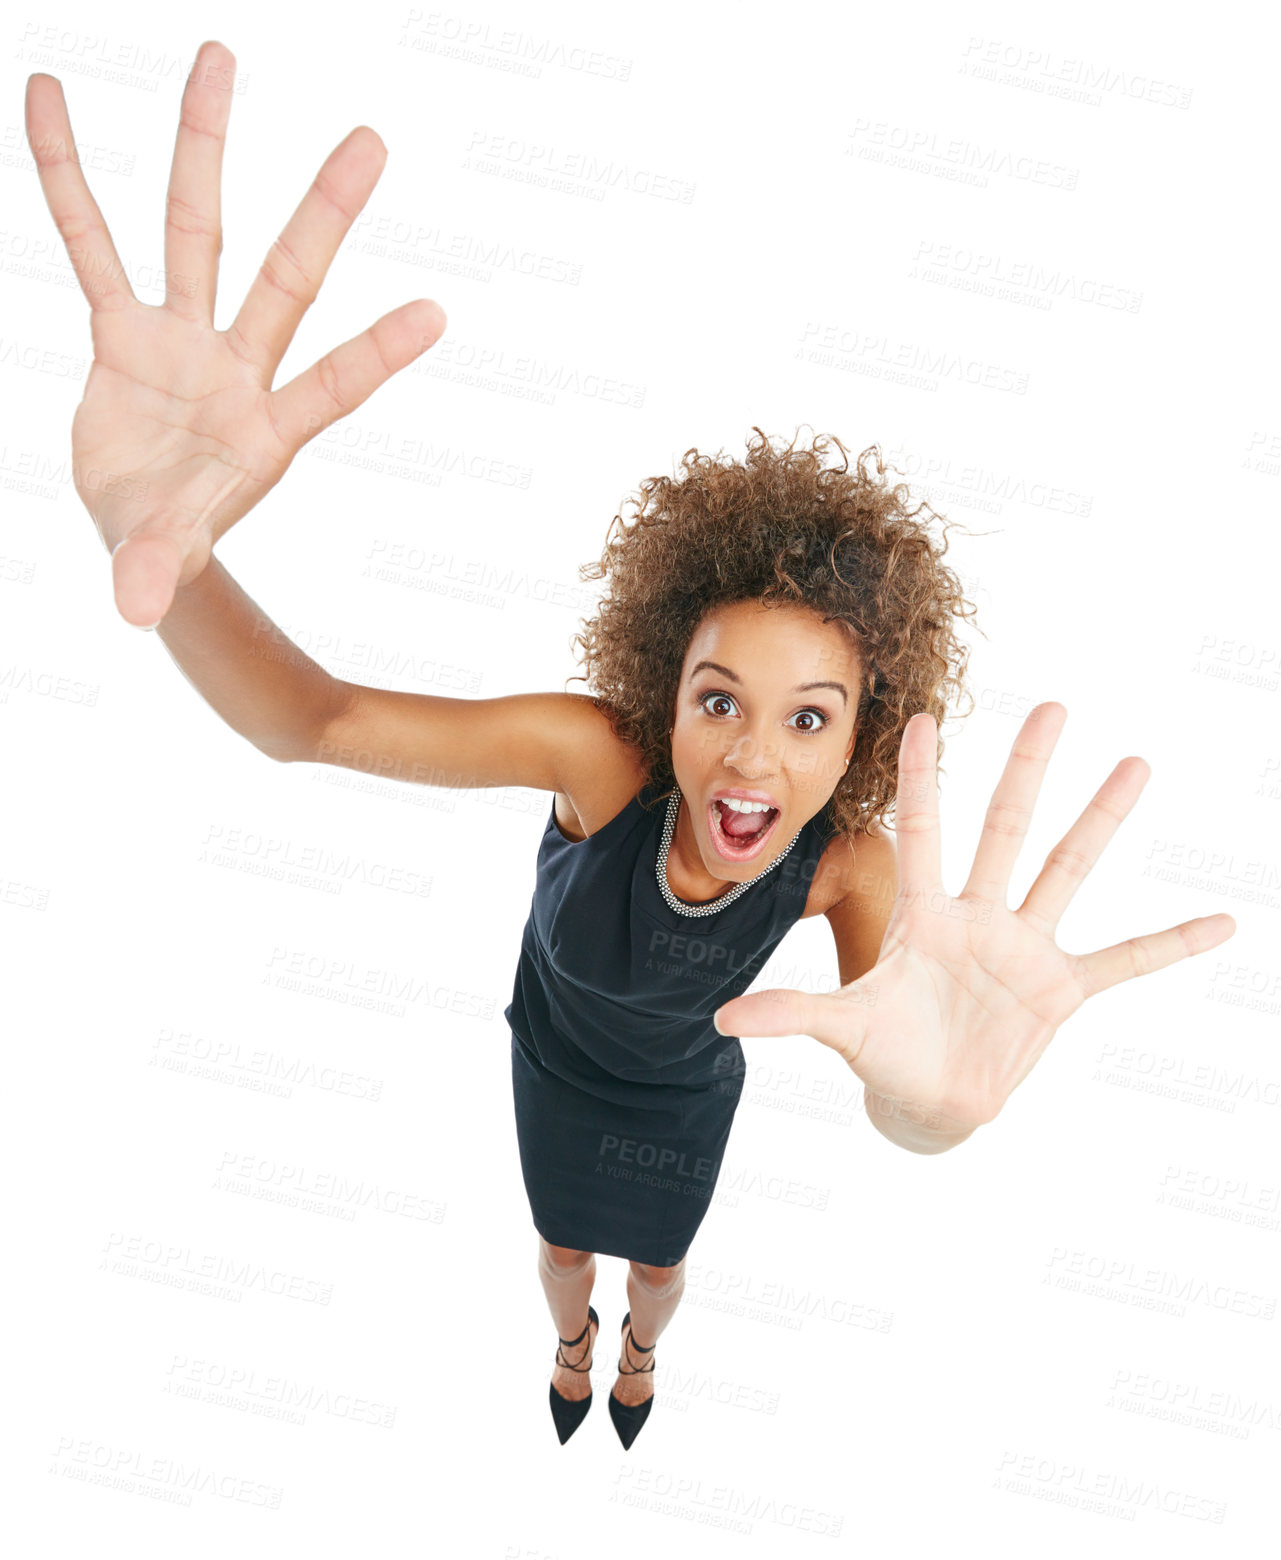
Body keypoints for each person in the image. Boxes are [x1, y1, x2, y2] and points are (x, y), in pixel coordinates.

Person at [25, 40, 1237, 1451]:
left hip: (680, 1100)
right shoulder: (598, 762)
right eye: (719, 699)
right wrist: (153, 544)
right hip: (553, 1065)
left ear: (853, 744)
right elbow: (316, 720)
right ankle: (567, 1338)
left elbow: (904, 1066)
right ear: (664, 693)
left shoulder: (849, 868)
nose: (750, 759)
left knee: (659, 1264)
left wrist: (937, 1118)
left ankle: (639, 1355)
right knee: (559, 1249)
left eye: (808, 719)